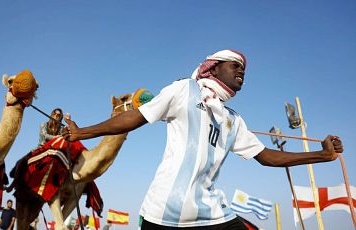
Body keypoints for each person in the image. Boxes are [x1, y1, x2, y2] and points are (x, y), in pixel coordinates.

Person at [62, 49, 344, 230]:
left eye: (244, 70)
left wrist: (321, 156)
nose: (241, 71)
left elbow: (267, 156)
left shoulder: (233, 119)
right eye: (235, 65)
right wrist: (82, 132)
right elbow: (135, 117)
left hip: (210, 213)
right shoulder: (183, 90)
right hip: (163, 213)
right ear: (213, 68)